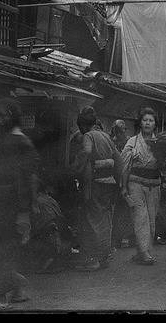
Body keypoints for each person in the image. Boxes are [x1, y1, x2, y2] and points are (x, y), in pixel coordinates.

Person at [0, 98, 39, 306]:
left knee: (4, 248)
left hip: (13, 201)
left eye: (4, 115)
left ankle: (0, 295)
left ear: (12, 117)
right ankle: (18, 288)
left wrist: (25, 209)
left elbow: (28, 177)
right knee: (2, 248)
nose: (0, 119)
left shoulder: (21, 142)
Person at [68, 106, 122, 271]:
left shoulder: (88, 136)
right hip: (109, 183)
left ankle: (93, 259)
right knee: (104, 220)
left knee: (92, 221)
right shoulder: (106, 137)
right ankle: (104, 256)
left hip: (94, 184)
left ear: (82, 126)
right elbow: (118, 159)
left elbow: (86, 153)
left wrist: (74, 168)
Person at [120, 107, 163, 265]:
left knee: (151, 219)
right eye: (145, 120)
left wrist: (163, 157)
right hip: (135, 184)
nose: (147, 123)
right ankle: (145, 254)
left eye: (151, 120)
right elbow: (124, 165)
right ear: (140, 123)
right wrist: (124, 187)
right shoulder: (132, 141)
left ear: (154, 124)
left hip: (154, 185)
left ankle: (141, 252)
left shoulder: (160, 143)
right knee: (140, 218)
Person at [110, 119, 136, 250]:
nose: (119, 134)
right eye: (117, 131)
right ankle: (118, 239)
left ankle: (131, 238)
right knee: (120, 212)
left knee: (129, 211)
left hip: (129, 180)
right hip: (117, 181)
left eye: (121, 131)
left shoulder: (131, 143)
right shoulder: (113, 142)